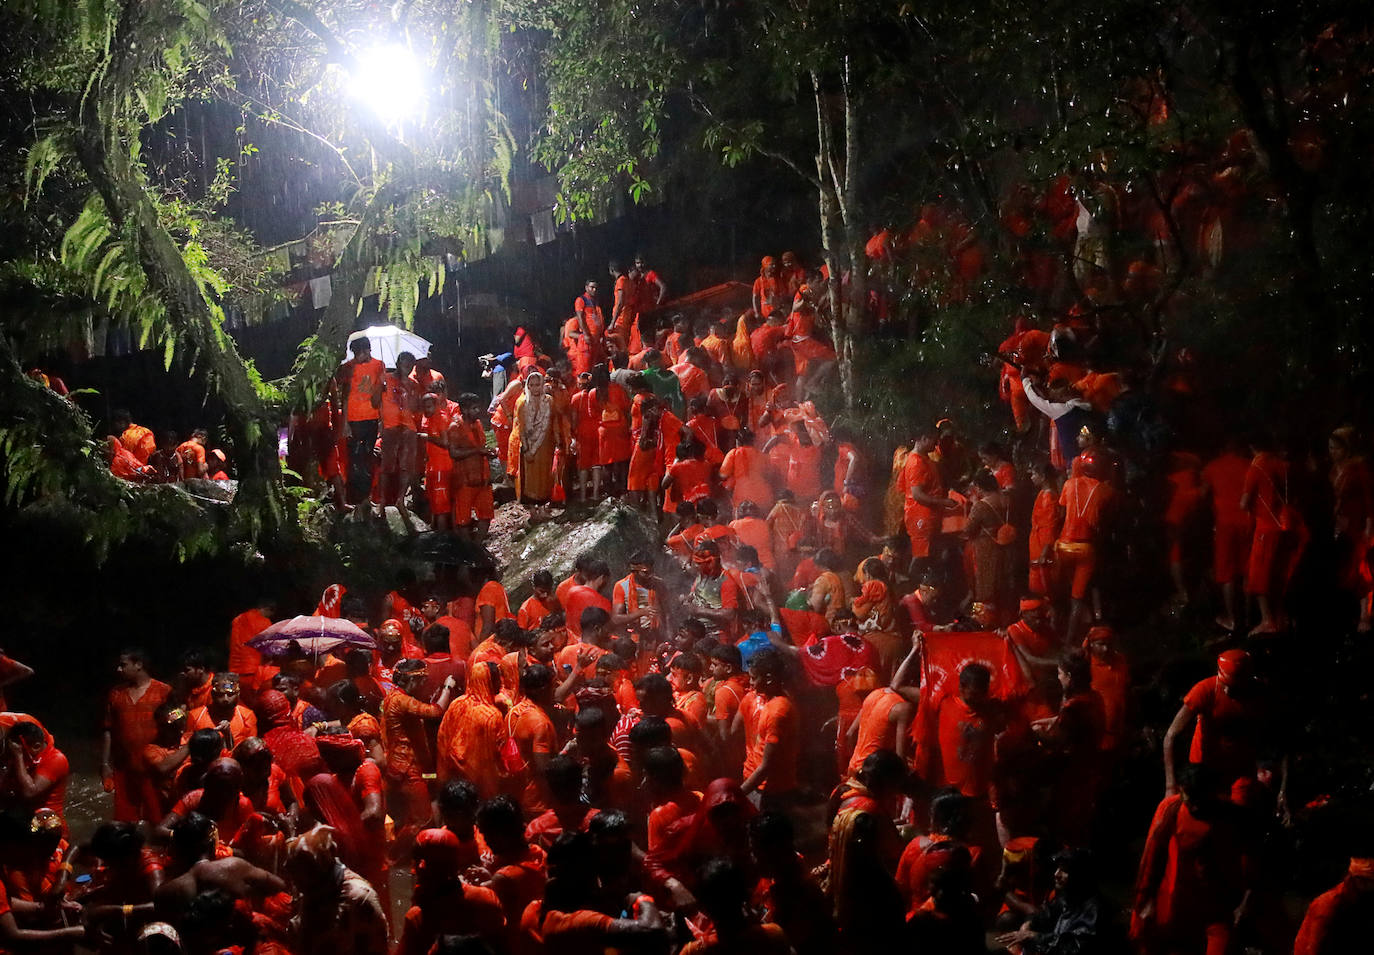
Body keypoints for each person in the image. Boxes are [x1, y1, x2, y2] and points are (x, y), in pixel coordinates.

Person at [1131, 765, 1253, 955]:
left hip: (1219, 908)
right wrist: (1145, 900)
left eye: (1200, 798)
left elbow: (1251, 859)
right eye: (1190, 798)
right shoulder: (1174, 810)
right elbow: (1153, 857)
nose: (1195, 806)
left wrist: (1246, 901)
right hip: (1181, 904)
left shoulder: (1233, 816)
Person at [1161, 648, 1282, 805]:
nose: (1226, 690)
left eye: (1233, 687)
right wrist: (1170, 786)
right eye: (1224, 684)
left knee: (1239, 814)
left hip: (1240, 769)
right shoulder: (1205, 690)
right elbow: (1171, 735)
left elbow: (1279, 734)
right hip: (1204, 769)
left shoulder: (1260, 693)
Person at [103, 648, 173, 821]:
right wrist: (105, 763)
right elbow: (108, 729)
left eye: (123, 665)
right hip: (124, 768)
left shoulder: (164, 691)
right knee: (123, 823)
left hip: (154, 768)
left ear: (138, 665)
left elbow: (177, 725)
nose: (119, 669)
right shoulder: (115, 694)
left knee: (158, 820)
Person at [509, 371, 565, 519]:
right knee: (529, 478)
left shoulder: (549, 401)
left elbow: (553, 422)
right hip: (529, 446)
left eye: (537, 385)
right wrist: (527, 448)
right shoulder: (522, 403)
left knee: (545, 475)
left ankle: (543, 508)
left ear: (542, 385)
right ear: (528, 386)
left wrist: (559, 440)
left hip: (546, 445)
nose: (535, 388)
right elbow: (520, 428)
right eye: (531, 385)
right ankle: (532, 511)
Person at [339, 337, 385, 506]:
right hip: (353, 420)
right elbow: (344, 397)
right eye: (358, 353)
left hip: (371, 418)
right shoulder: (348, 367)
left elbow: (380, 393)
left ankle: (367, 497)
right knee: (354, 459)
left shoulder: (378, 365)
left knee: (367, 458)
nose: (362, 355)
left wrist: (382, 419)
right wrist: (344, 424)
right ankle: (355, 498)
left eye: (364, 351)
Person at [450, 392, 497, 538]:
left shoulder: (477, 424)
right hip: (465, 480)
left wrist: (488, 452)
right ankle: (469, 551)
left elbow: (481, 446)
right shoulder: (455, 426)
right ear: (464, 410)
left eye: (478, 408)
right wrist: (477, 451)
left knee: (486, 515)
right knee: (463, 519)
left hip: (482, 478)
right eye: (474, 408)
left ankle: (478, 546)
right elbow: (454, 453)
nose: (478, 411)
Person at [185, 673, 257, 750]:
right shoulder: (196, 716)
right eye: (220, 694)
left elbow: (251, 752)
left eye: (230, 694)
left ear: (238, 694)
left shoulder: (247, 716)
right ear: (213, 694)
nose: (225, 699)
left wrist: (228, 738)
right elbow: (186, 750)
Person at [227, 597, 274, 694]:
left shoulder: (237, 620)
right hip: (253, 673)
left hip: (234, 672)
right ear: (268, 609)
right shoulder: (265, 622)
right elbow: (268, 651)